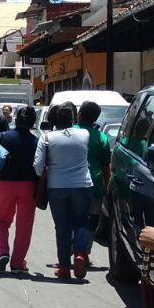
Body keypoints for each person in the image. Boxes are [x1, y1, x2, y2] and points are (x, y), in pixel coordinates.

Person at [34, 102, 94, 280]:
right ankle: (80, 254)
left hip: (57, 186)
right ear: (74, 119)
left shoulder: (46, 138)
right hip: (83, 185)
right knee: (81, 222)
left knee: (62, 227)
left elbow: (38, 166)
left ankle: (64, 267)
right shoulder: (84, 134)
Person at [0, 105, 40, 273]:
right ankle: (17, 263)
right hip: (29, 186)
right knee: (24, 226)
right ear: (32, 123)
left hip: (5, 185)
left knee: (0, 220)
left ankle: (2, 252)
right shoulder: (37, 141)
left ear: (15, 120)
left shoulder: (4, 137)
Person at [76, 100, 112, 263]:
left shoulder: (70, 132)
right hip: (95, 183)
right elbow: (106, 166)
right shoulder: (101, 137)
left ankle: (72, 248)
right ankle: (84, 252)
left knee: (72, 217)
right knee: (91, 219)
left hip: (73, 182)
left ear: (79, 115)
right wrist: (107, 187)